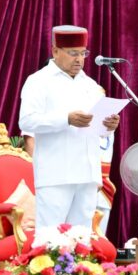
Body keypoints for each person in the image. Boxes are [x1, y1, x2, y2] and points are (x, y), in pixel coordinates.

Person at [19, 25, 120, 229]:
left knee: (81, 240)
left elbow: (99, 131)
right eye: (73, 53)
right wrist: (66, 119)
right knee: (51, 240)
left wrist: (109, 126)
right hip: (56, 174)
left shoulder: (90, 85)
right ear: (55, 51)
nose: (79, 59)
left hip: (87, 173)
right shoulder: (38, 81)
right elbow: (27, 121)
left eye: (83, 53)